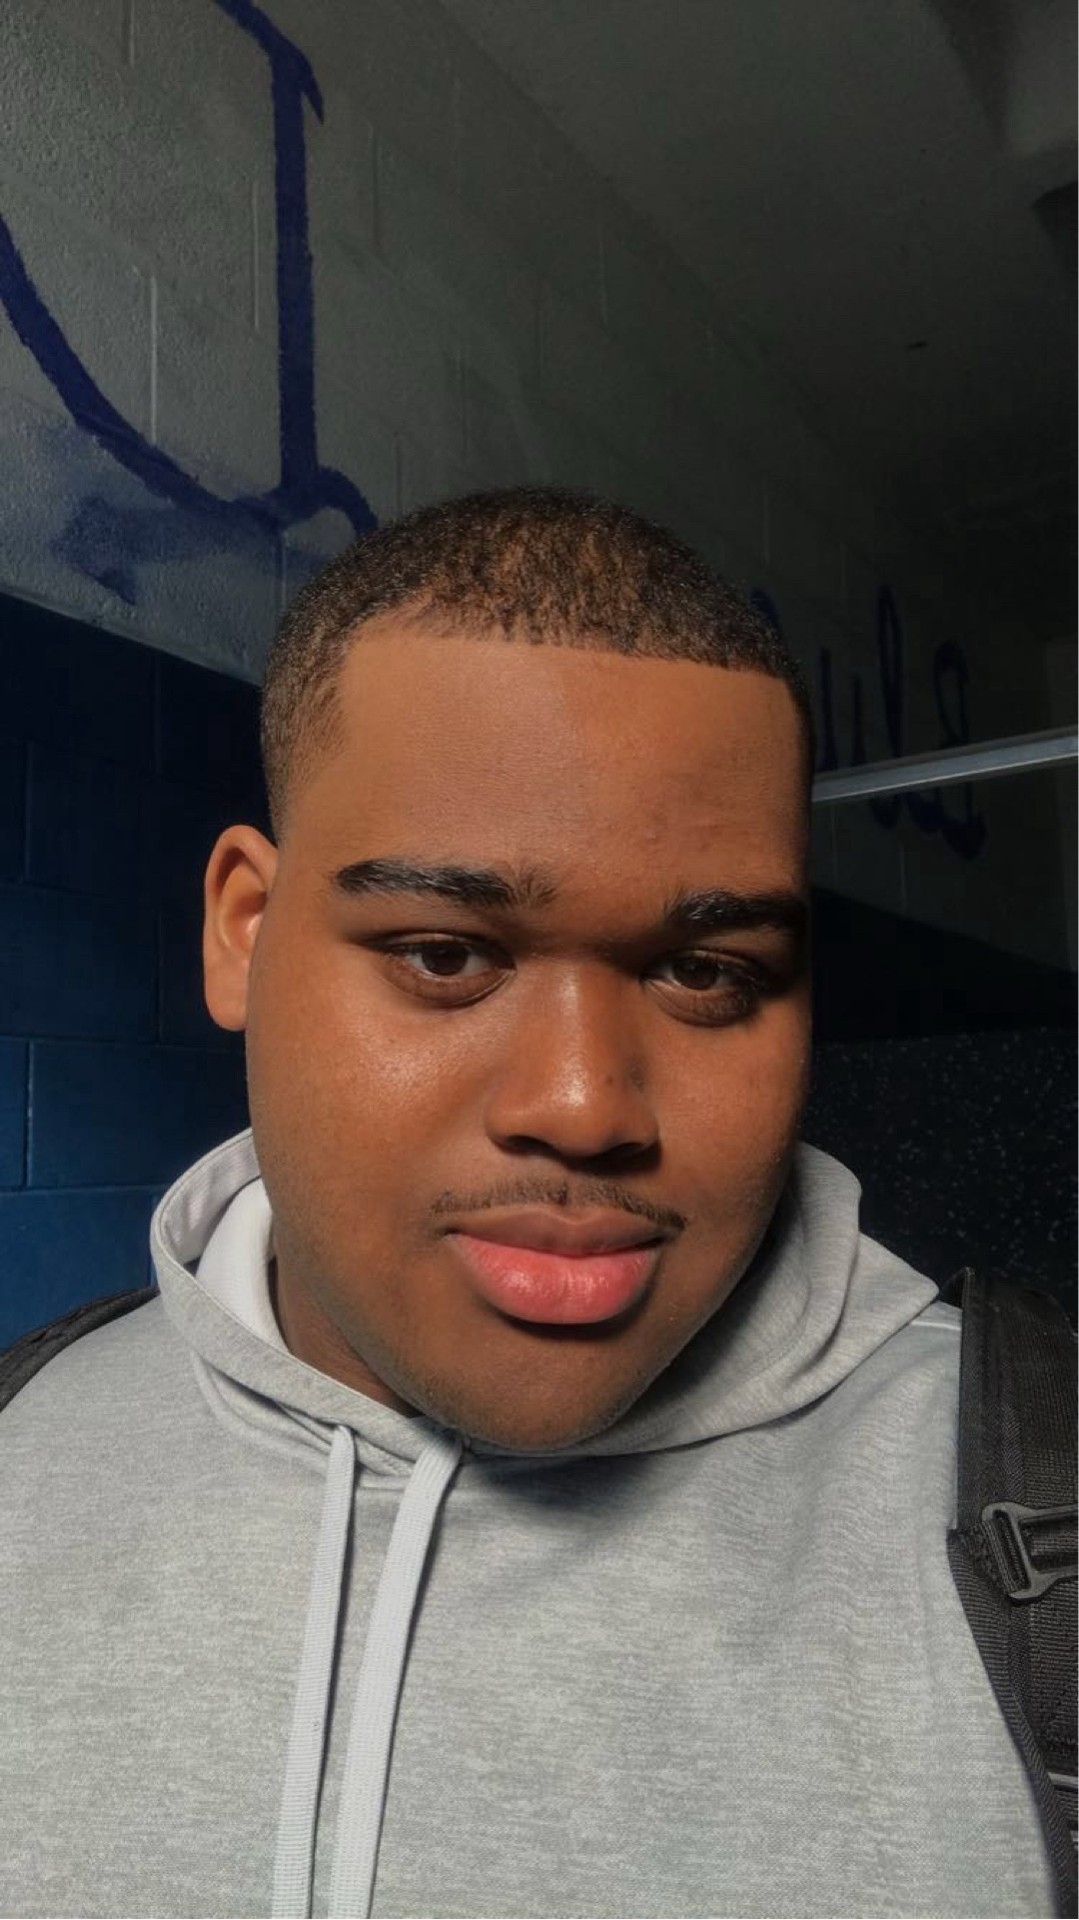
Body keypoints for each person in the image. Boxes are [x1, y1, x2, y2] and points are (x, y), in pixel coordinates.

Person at [0, 488, 1060, 1919]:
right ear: (244, 933)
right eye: (445, 954)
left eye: (707, 972)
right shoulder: (21, 1444)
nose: (583, 1105)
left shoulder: (1035, 1516)